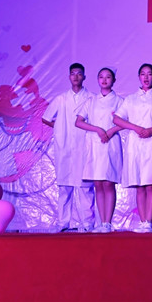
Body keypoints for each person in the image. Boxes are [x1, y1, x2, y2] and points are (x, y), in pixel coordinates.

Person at [113, 64, 152, 233]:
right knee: (139, 185)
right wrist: (135, 128)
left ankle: (149, 222)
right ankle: (142, 222)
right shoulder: (131, 99)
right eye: (143, 74)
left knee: (151, 184)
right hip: (135, 143)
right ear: (139, 77)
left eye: (149, 74)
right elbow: (117, 119)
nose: (146, 77)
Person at [42, 62, 96, 232]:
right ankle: (63, 222)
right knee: (65, 186)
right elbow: (46, 118)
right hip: (64, 146)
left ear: (84, 77)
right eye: (73, 73)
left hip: (85, 145)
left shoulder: (92, 98)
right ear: (69, 77)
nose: (76, 76)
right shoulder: (61, 99)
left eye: (79, 73)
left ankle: (87, 222)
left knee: (85, 186)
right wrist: (59, 129)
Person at [74, 67, 124, 233]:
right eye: (101, 77)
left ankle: (107, 222)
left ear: (113, 80)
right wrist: (97, 129)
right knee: (98, 184)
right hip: (94, 144)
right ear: (97, 80)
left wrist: (111, 131)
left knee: (108, 182)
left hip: (111, 143)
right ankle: (101, 223)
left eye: (108, 77)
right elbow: (79, 122)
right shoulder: (91, 101)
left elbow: (127, 121)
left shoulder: (119, 101)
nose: (104, 80)